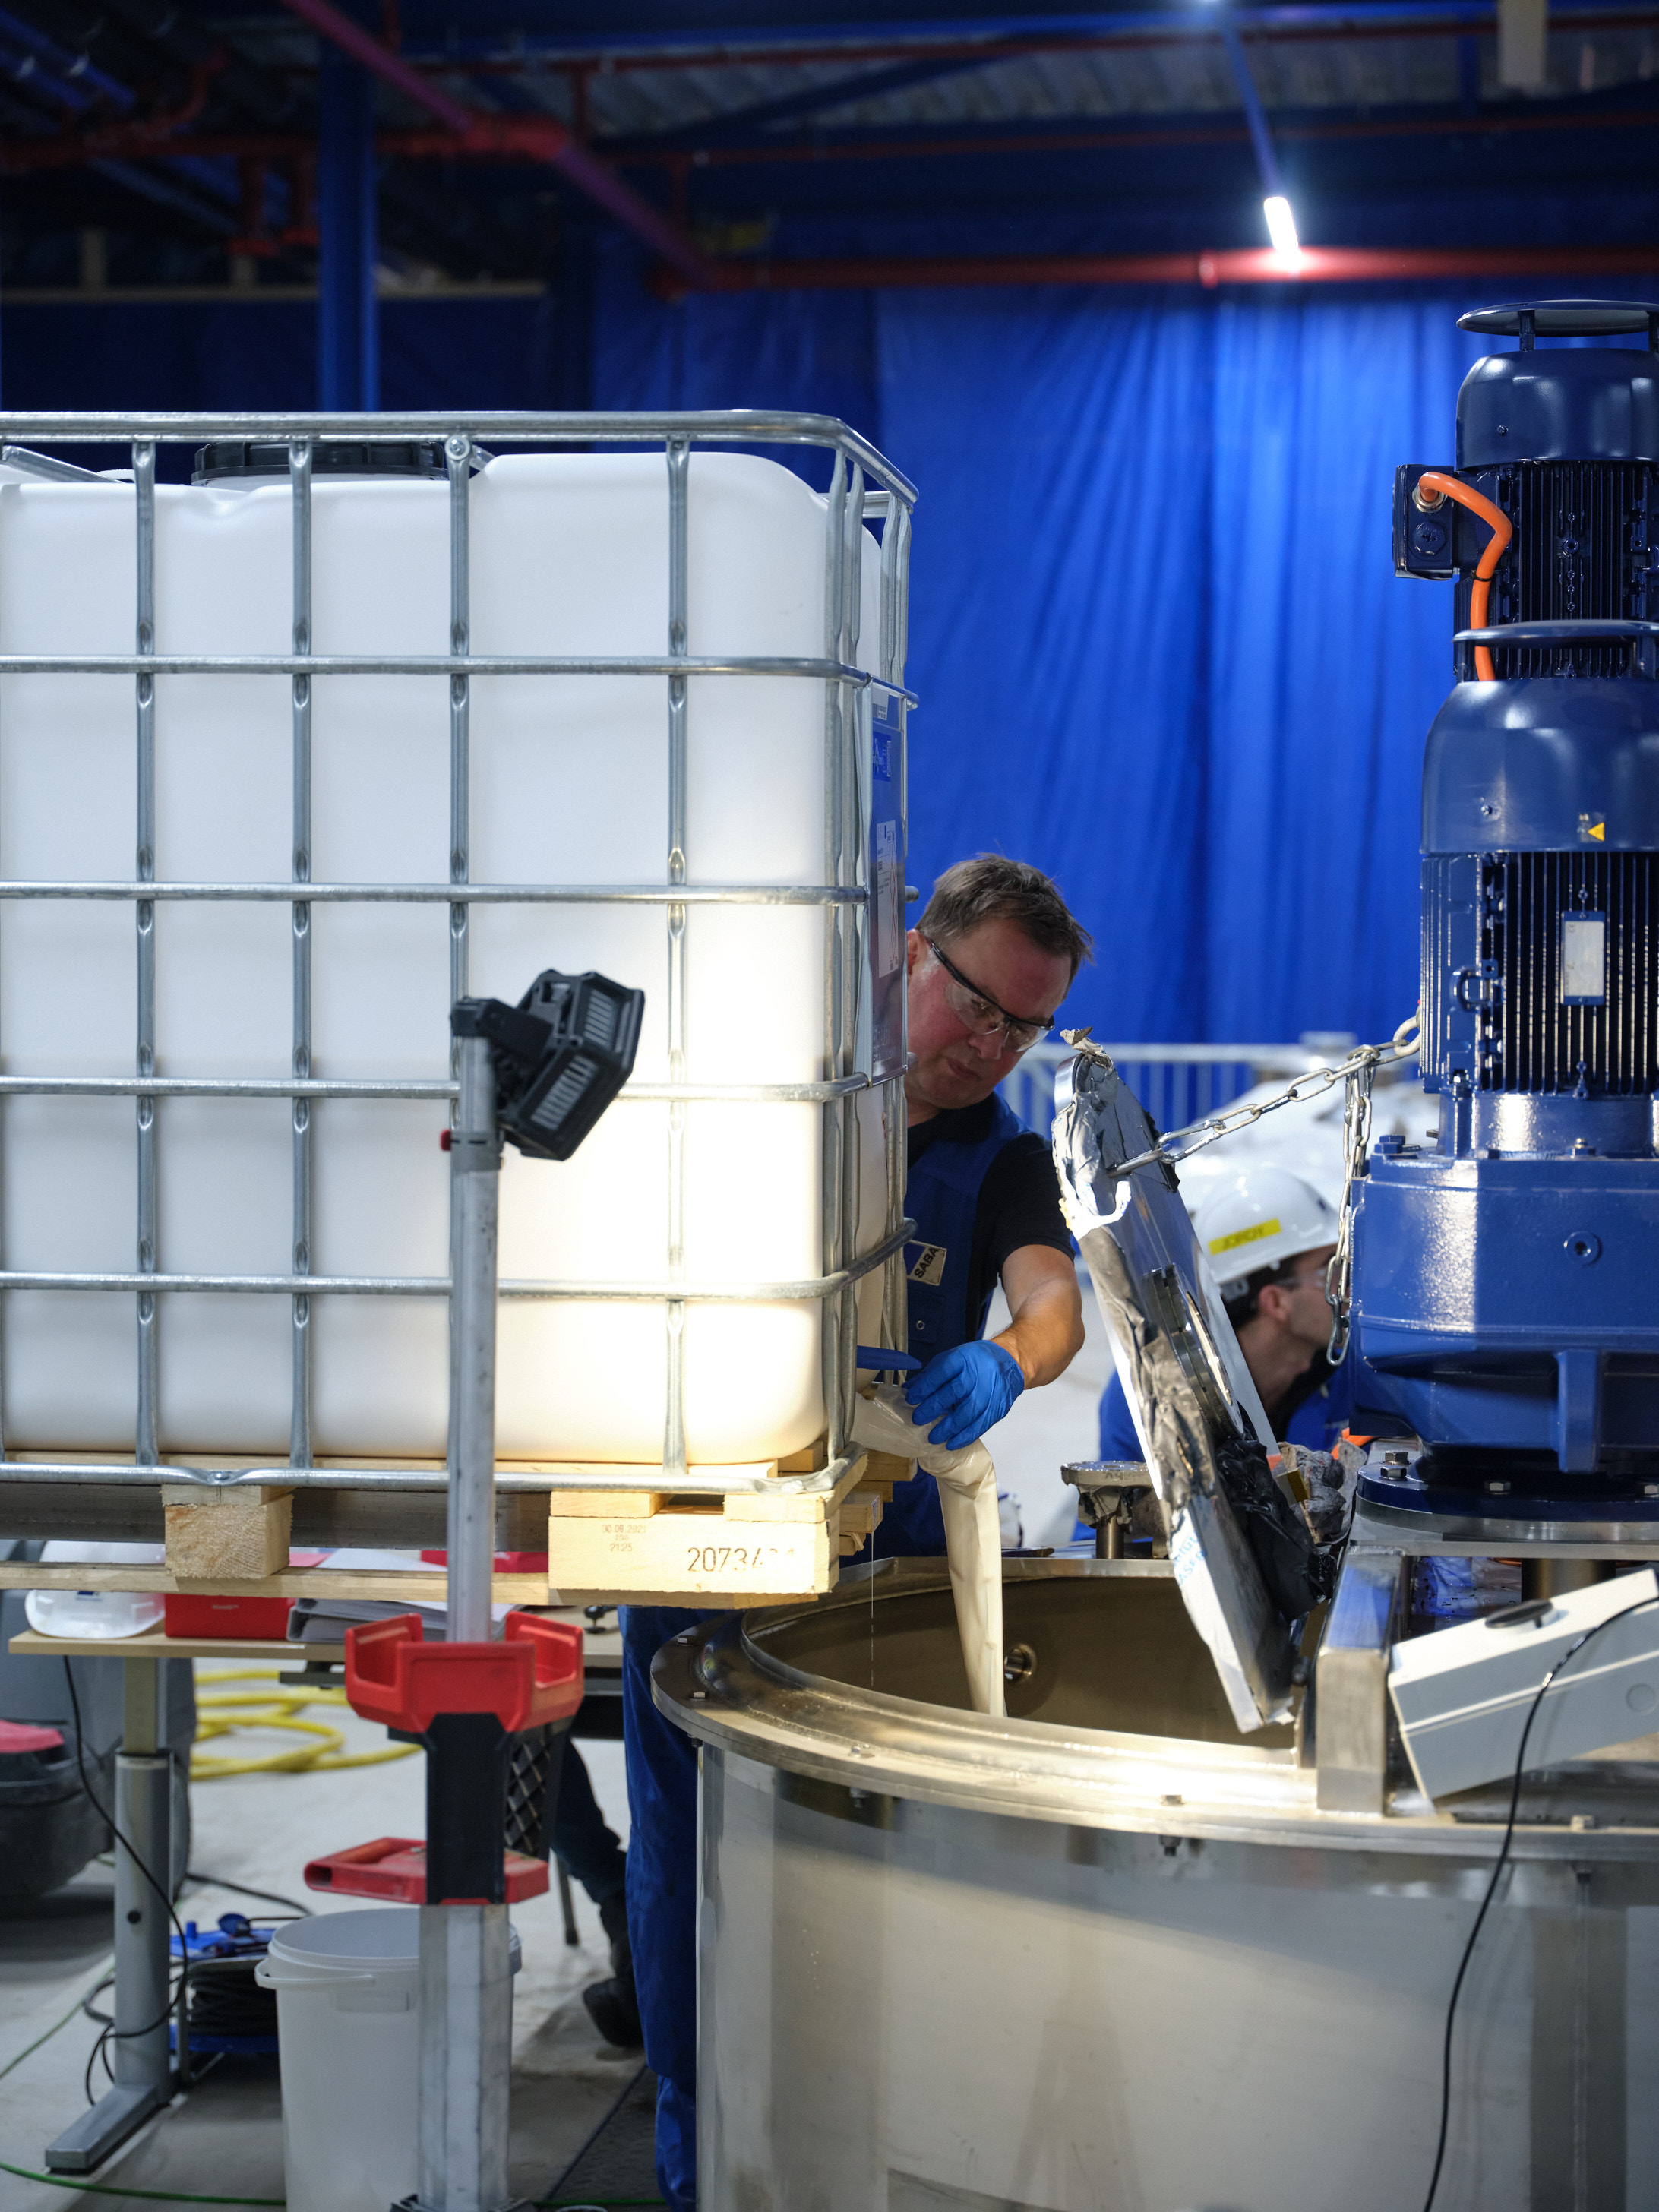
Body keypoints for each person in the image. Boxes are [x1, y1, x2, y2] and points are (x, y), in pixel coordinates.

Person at [623, 855, 1092, 2210]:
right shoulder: (773, 1083)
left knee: (860, 1886)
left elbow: (1051, 1302)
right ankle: (698, 2155)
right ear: (908, 950)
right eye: (978, 1005)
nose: (990, 1043)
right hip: (705, 1549)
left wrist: (1008, 1357)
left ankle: (868, 2151)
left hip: (868, 1573)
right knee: (687, 1873)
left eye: (1023, 1026)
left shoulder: (997, 1156)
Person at [1097, 1164, 1352, 1464]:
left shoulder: (1354, 1372)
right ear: (1276, 1302)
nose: (1348, 1288)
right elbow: (1123, 1507)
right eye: (1331, 1271)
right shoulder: (1154, 1390)